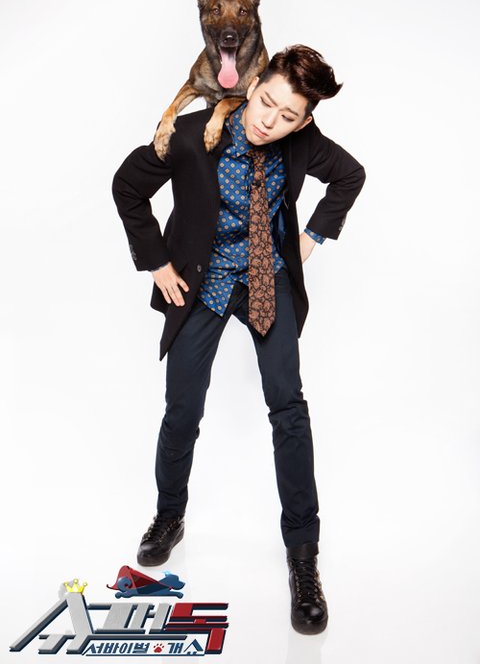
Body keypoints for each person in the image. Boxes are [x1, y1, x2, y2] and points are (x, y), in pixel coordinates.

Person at [112, 44, 366, 635]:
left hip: (266, 281)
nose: (268, 120)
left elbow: (350, 176)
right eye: (266, 102)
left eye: (287, 115)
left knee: (289, 409)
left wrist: (311, 238)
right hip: (202, 284)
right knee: (182, 409)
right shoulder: (191, 135)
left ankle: (303, 557)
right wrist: (157, 261)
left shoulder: (302, 143)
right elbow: (127, 185)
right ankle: (169, 517)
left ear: (304, 121)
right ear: (252, 87)